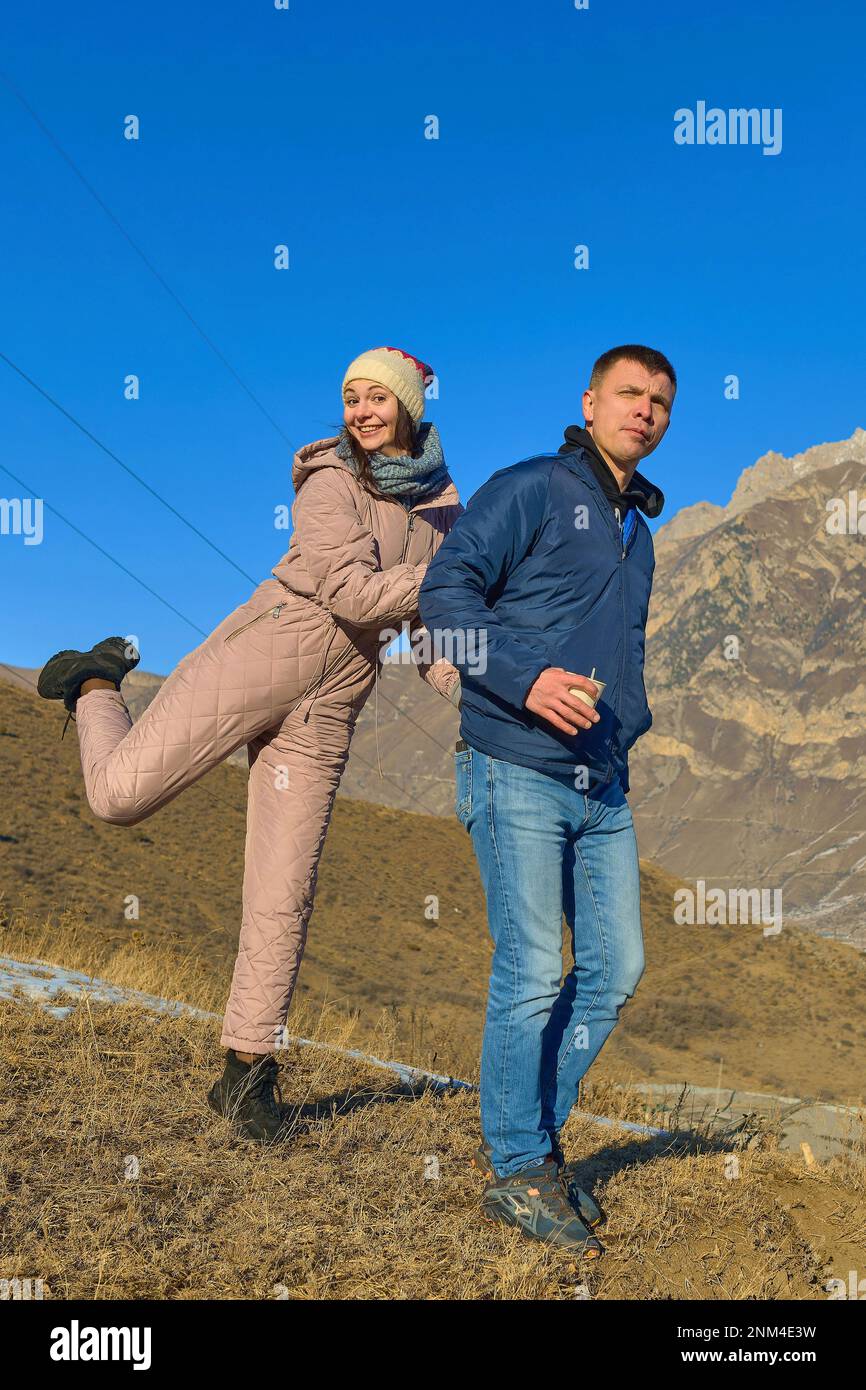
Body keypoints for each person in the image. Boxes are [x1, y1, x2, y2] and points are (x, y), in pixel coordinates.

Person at [38, 346, 462, 1142]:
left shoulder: (443, 507)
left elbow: (429, 632)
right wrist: (446, 581)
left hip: (332, 702)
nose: (360, 412)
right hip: (269, 651)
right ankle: (96, 685)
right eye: (350, 397)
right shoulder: (331, 478)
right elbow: (350, 592)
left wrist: (476, 692)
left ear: (409, 407)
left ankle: (246, 1075)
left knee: (284, 890)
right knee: (117, 797)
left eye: (377, 398)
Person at [419, 344, 674, 1256]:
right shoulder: (531, 486)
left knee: (617, 969)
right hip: (515, 763)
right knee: (529, 969)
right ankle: (519, 1164)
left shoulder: (638, 532)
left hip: (601, 782)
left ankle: (536, 1136)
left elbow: (626, 658)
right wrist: (526, 681)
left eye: (659, 403)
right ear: (590, 402)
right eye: (628, 394)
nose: (643, 411)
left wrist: (627, 731)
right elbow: (442, 595)